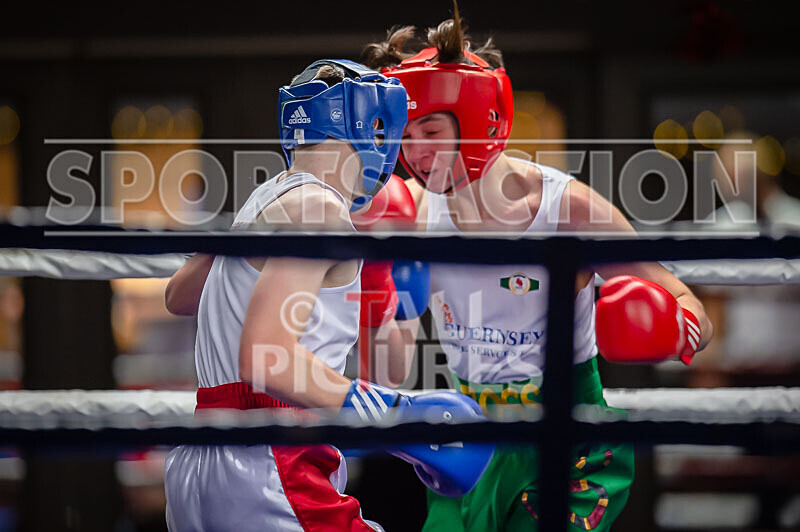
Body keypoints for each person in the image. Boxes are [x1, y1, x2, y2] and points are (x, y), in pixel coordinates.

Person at [360, 10, 714, 532]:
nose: (416, 152)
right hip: (469, 436)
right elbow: (384, 378)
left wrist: (667, 325)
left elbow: (689, 306)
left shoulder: (565, 208)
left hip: (567, 436)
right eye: (405, 136)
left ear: (480, 120)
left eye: (430, 130)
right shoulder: (409, 214)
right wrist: (383, 308)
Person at [162, 59, 492, 531]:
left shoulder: (266, 199)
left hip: (200, 460)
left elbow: (178, 295)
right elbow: (267, 358)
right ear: (366, 126)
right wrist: (397, 416)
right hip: (272, 461)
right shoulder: (320, 210)